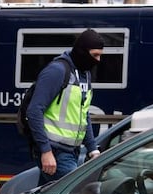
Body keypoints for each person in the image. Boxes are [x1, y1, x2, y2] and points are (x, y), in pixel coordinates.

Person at [26, 29, 103, 185]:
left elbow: (83, 115)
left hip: (71, 151)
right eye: (95, 54)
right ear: (82, 51)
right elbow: (34, 111)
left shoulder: (85, 74)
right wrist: (45, 151)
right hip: (55, 151)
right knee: (77, 193)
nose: (98, 60)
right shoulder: (57, 71)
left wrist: (92, 149)